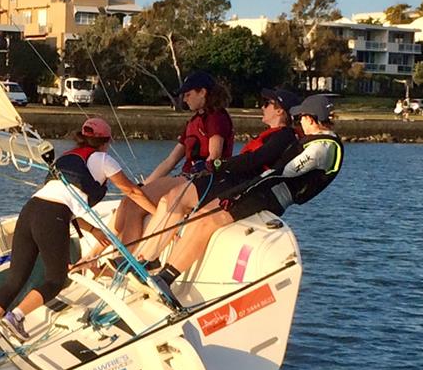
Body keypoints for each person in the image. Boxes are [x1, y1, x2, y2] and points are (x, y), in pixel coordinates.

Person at [0, 118, 157, 355]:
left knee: (14, 280)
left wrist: (93, 230)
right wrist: (159, 213)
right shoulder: (102, 159)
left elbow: (66, 200)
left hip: (30, 211)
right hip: (52, 216)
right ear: (107, 141)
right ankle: (16, 317)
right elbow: (131, 190)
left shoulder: (65, 158)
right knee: (56, 279)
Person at [148, 94, 344, 296]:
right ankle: (161, 274)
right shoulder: (318, 142)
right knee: (200, 217)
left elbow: (281, 173)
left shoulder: (322, 148)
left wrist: (239, 192)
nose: (299, 121)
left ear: (311, 119)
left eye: (301, 117)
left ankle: (166, 279)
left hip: (270, 196)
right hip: (260, 188)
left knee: (208, 222)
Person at [138, 88, 301, 262]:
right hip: (230, 179)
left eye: (267, 104)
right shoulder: (274, 135)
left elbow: (255, 160)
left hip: (237, 185)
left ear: (279, 110)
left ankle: (148, 259)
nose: (262, 107)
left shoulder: (284, 136)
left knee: (176, 199)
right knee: (168, 200)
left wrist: (219, 164)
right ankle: (143, 255)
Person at [108, 71, 234, 257]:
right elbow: (170, 161)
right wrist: (144, 186)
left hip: (197, 180)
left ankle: (127, 259)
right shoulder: (193, 121)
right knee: (129, 201)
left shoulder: (216, 118)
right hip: (184, 177)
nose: (185, 99)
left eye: (188, 94)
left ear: (203, 92)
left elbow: (214, 156)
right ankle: (111, 254)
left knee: (136, 206)